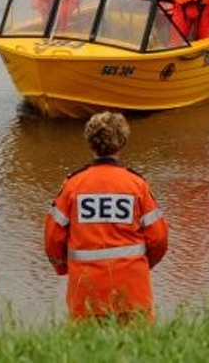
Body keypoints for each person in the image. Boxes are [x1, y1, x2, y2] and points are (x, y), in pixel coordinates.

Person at [44, 111, 168, 322]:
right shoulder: (136, 185)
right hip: (132, 292)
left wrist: (64, 267)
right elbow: (159, 239)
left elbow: (53, 239)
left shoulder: (73, 185)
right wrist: (141, 265)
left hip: (86, 292)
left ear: (90, 142)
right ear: (122, 142)